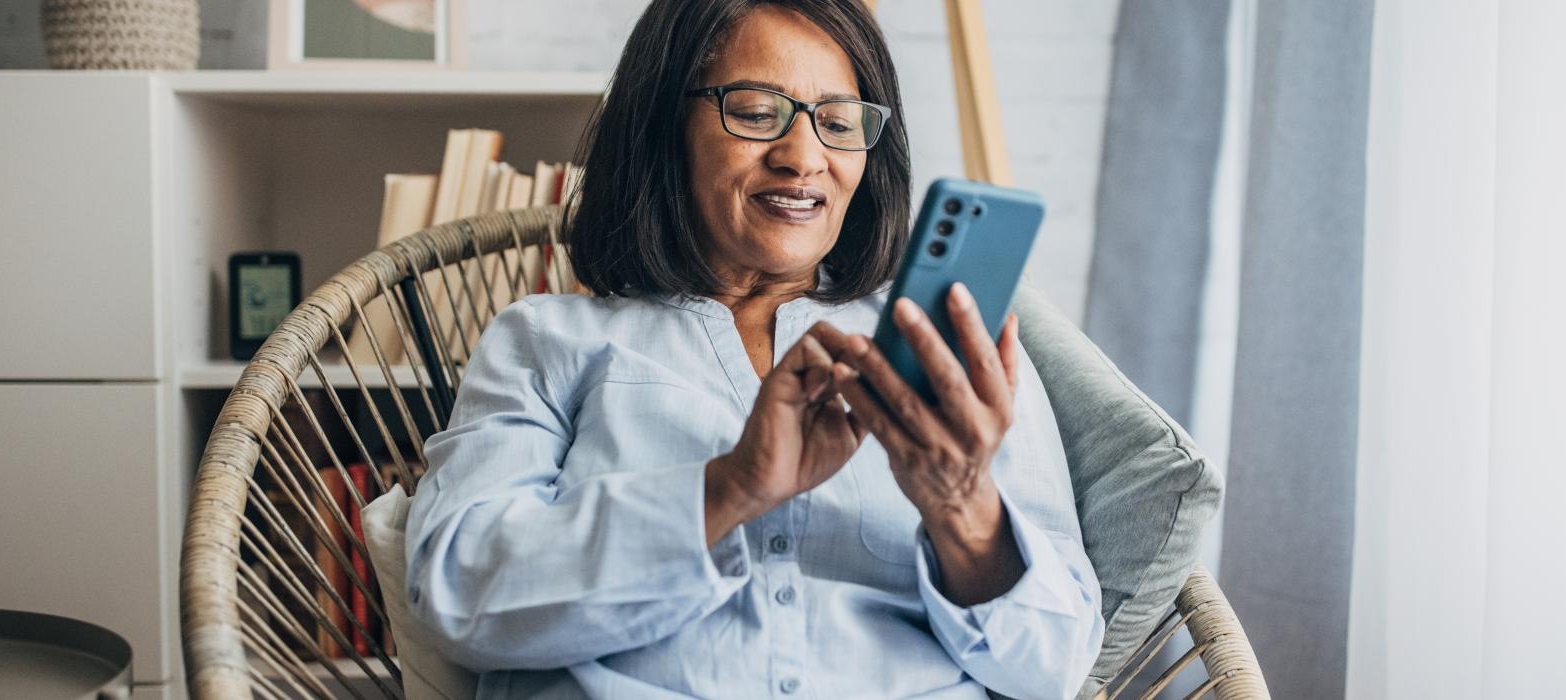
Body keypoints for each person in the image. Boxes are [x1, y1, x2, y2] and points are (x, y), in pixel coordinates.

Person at [405, 1, 1105, 697]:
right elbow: (459, 594)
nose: (804, 158)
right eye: (755, 112)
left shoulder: (947, 352)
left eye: (837, 122)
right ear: (664, 125)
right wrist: (732, 486)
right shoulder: (547, 341)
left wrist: (961, 506)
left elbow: (1056, 666)